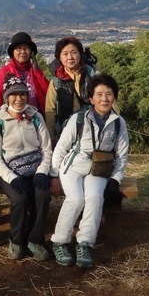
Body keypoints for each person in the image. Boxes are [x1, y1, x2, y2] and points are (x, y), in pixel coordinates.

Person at [49, 74, 129, 268]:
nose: (104, 99)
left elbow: (122, 156)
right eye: (99, 94)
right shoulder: (78, 119)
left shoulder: (118, 123)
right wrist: (53, 175)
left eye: (109, 94)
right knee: (76, 198)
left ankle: (84, 243)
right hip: (73, 168)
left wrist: (115, 180)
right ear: (91, 98)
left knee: (94, 197)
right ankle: (60, 241)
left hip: (99, 170)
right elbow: (61, 148)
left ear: (114, 97)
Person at [0, 75, 53, 261]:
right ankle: (16, 239)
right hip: (10, 170)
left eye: (22, 94)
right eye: (13, 95)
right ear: (6, 97)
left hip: (35, 168)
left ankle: (35, 239)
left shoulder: (36, 117)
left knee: (42, 195)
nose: (19, 99)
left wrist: (42, 171)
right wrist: (11, 177)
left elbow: (46, 148)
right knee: (21, 197)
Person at [44, 36, 98, 197]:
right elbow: (50, 111)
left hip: (91, 134)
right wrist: (52, 139)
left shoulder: (93, 75)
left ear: (80, 54)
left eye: (73, 52)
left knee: (89, 173)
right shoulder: (56, 82)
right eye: (65, 54)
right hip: (65, 135)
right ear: (59, 58)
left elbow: (106, 101)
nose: (70, 57)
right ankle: (75, 205)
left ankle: (87, 209)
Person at [0, 31, 49, 115]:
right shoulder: (4, 72)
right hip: (14, 119)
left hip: (37, 117)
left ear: (31, 52)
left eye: (26, 48)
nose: (23, 52)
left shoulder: (35, 70)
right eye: (18, 48)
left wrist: (37, 71)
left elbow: (48, 91)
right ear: (13, 52)